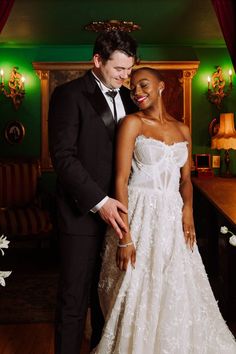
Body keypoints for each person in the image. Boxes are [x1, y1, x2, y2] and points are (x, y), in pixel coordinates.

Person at [94, 67, 236, 353]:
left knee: (177, 284)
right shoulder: (132, 124)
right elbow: (120, 179)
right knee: (138, 286)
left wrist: (188, 212)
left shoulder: (182, 129)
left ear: (162, 86)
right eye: (133, 87)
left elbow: (185, 180)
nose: (137, 92)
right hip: (140, 214)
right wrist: (125, 236)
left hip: (173, 216)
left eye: (143, 84)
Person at [48, 30, 138, 354]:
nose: (125, 77)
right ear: (97, 60)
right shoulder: (68, 95)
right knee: (74, 300)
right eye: (118, 70)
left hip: (120, 217)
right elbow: (63, 157)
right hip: (80, 215)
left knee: (106, 299)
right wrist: (99, 203)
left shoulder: (129, 98)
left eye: (129, 70)